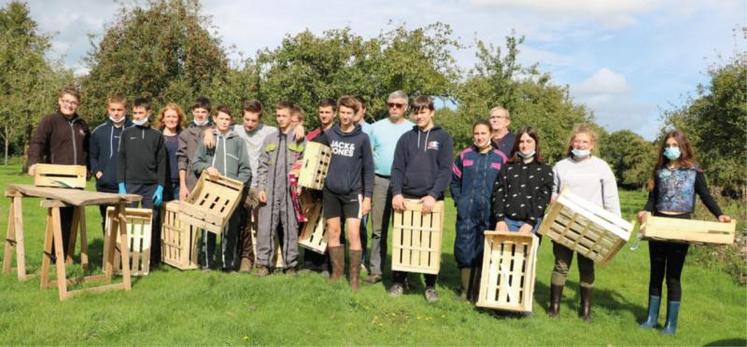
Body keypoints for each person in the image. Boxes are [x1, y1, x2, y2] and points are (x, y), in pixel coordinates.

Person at [636, 129, 731, 335]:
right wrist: (645, 211)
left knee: (673, 277)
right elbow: (652, 199)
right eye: (668, 146)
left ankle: (671, 324)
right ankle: (651, 318)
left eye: (675, 145)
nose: (671, 149)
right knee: (656, 273)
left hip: (682, 225)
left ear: (683, 147)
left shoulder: (694, 171)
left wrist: (720, 215)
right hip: (658, 224)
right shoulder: (659, 170)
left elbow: (705, 196)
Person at [549, 124, 620, 321]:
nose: (580, 144)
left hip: (591, 226)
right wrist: (553, 197)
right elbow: (553, 190)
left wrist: (614, 223)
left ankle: (585, 310)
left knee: (587, 266)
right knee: (561, 265)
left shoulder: (601, 167)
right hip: (564, 222)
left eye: (585, 141)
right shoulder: (560, 166)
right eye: (577, 140)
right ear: (572, 142)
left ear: (592, 145)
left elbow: (611, 197)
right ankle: (554, 307)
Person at [389, 95, 453, 303]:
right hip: (406, 199)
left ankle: (430, 286)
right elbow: (397, 168)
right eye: (416, 112)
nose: (419, 115)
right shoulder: (406, 138)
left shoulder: (443, 138)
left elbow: (445, 171)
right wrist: (397, 192)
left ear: (432, 112)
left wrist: (433, 195)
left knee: (429, 243)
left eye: (423, 111)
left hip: (430, 200)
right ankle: (399, 282)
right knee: (403, 242)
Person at [314, 96, 374, 291]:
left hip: (353, 193)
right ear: (338, 112)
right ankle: (337, 273)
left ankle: (354, 277)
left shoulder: (362, 138)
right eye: (342, 112)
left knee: (353, 233)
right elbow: (313, 148)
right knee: (333, 231)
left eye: (349, 113)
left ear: (355, 114)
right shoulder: (330, 134)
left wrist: (368, 198)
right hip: (331, 191)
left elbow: (368, 169)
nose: (345, 116)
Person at [27, 86, 90, 259]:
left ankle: (65, 254)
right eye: (66, 101)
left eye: (73, 102)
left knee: (70, 218)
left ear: (78, 104)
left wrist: (89, 168)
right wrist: (33, 162)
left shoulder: (82, 124)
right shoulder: (50, 120)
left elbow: (87, 150)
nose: (69, 105)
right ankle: (54, 255)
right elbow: (37, 142)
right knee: (57, 216)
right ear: (60, 101)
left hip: (76, 180)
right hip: (55, 178)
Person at [450, 120, 507, 301]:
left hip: (489, 214)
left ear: (491, 134)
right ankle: (464, 290)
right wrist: (460, 201)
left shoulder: (500, 158)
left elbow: (505, 187)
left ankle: (478, 292)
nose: (480, 137)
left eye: (483, 133)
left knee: (484, 250)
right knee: (464, 248)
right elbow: (454, 181)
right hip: (467, 212)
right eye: (476, 133)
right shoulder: (464, 156)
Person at [192, 106, 252, 271]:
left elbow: (245, 169)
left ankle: (228, 265)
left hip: (231, 193)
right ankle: (207, 263)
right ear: (215, 119)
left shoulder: (238, 142)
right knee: (207, 227)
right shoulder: (208, 138)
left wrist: (237, 186)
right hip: (210, 191)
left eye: (228, 119)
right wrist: (207, 167)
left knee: (230, 229)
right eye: (222, 118)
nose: (225, 122)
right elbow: (195, 163)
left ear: (231, 120)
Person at [366, 90, 414, 284]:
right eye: (391, 104)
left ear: (406, 107)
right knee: (378, 229)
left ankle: (404, 272)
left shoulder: (413, 129)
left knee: (405, 230)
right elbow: (368, 159)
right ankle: (376, 270)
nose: (394, 108)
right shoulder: (375, 128)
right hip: (380, 181)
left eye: (399, 105)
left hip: (405, 185)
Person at [255, 101, 305, 276]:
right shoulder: (269, 139)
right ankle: (263, 264)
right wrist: (260, 188)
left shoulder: (300, 138)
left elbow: (305, 164)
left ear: (292, 117)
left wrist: (300, 187)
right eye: (278, 116)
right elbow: (261, 166)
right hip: (269, 190)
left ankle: (290, 265)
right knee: (265, 227)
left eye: (284, 115)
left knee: (291, 227)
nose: (280, 119)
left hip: (291, 192)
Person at [117, 97, 166, 267]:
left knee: (150, 223)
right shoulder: (126, 133)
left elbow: (162, 163)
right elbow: (121, 160)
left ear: (148, 113)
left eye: (141, 113)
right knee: (129, 222)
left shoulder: (157, 135)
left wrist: (160, 187)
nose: (137, 116)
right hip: (131, 185)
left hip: (151, 187)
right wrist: (121, 185)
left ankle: (150, 261)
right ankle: (127, 258)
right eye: (135, 113)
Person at [233, 100, 277, 273]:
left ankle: (264, 259)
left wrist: (299, 127)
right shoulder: (235, 129)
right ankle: (246, 258)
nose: (249, 124)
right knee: (242, 223)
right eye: (247, 119)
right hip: (242, 184)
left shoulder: (269, 131)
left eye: (253, 120)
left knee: (262, 224)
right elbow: (216, 128)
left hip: (261, 186)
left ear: (260, 120)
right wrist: (207, 132)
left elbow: (289, 126)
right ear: (242, 116)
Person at [493, 127, 553, 235]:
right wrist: (500, 220)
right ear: (517, 144)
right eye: (521, 141)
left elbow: (543, 199)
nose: (525, 145)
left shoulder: (545, 170)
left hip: (532, 224)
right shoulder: (507, 168)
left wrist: (530, 223)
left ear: (536, 143)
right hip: (508, 223)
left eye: (529, 141)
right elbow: (499, 193)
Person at [302, 98, 338, 273]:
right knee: (311, 220)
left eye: (327, 112)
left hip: (331, 186)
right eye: (321, 112)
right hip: (313, 187)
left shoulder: (338, 135)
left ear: (334, 114)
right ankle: (309, 263)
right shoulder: (314, 135)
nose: (324, 115)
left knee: (328, 224)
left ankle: (326, 265)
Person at [90, 95, 132, 234]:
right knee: (107, 220)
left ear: (126, 110)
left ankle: (125, 255)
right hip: (105, 185)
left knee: (128, 221)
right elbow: (92, 155)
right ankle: (108, 254)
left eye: (119, 109)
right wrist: (97, 172)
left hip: (129, 185)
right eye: (113, 109)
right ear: (108, 110)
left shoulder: (135, 129)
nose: (116, 113)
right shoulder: (99, 131)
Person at [177, 97, 212, 201]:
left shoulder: (216, 131)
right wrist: (183, 186)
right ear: (192, 112)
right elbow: (182, 161)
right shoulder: (185, 134)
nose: (200, 115)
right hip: (192, 181)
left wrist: (210, 131)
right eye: (197, 111)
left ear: (209, 113)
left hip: (211, 179)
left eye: (203, 112)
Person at [155, 103, 186, 201]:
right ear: (163, 119)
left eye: (174, 116)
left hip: (179, 184)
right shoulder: (156, 136)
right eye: (168, 116)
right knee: (159, 215)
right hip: (160, 184)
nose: (171, 119)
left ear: (179, 119)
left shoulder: (184, 136)